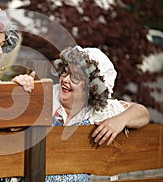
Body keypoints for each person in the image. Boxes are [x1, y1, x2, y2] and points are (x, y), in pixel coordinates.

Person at [45, 45, 150, 181]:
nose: (65, 79)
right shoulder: (47, 96)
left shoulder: (98, 111)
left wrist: (120, 120)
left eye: (75, 77)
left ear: (92, 87)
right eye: (65, 71)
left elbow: (142, 112)